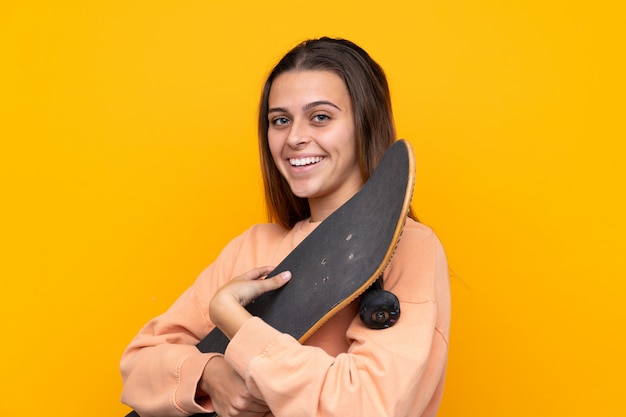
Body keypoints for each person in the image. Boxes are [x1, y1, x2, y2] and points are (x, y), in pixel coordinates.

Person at [120, 37, 451, 417]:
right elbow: (139, 365)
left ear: (365, 123)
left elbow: (367, 404)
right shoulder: (253, 247)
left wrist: (234, 320)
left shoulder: (408, 246)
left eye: (321, 117)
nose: (294, 138)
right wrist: (209, 375)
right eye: (280, 120)